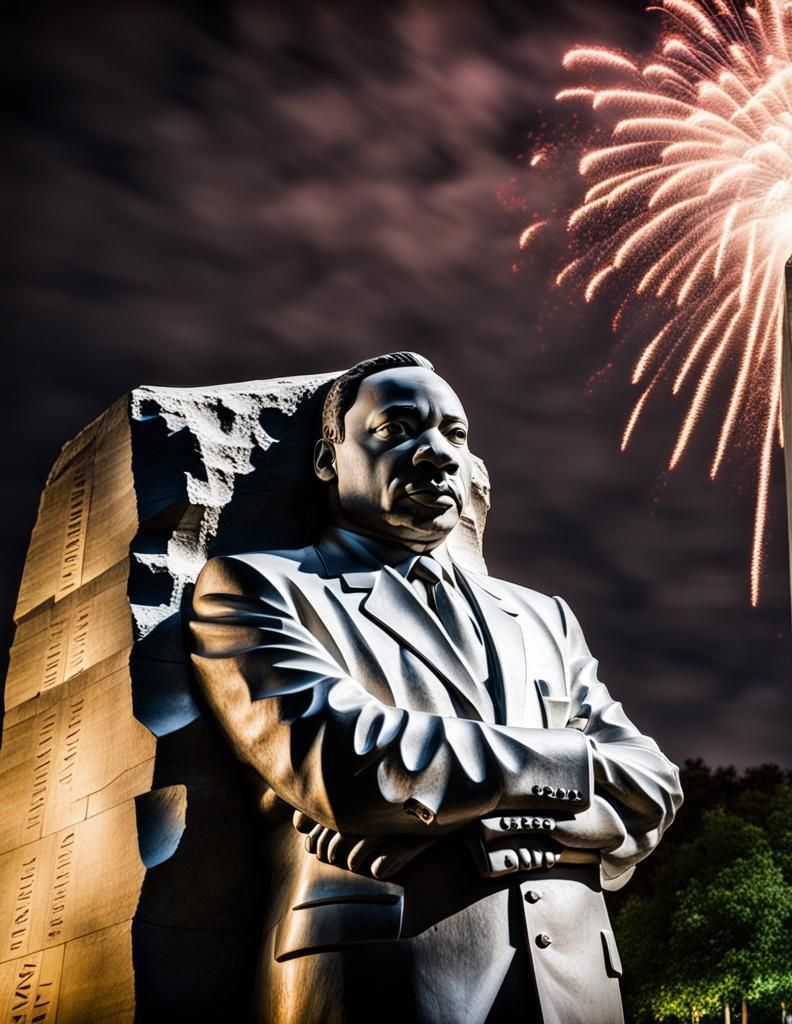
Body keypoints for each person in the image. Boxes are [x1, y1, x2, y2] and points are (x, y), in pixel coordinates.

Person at [189, 351, 682, 1023]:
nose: (438, 455)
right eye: (397, 430)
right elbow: (348, 763)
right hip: (380, 977)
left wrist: (475, 820)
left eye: (455, 434)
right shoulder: (257, 587)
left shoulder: (544, 616)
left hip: (578, 985)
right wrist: (572, 769)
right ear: (329, 459)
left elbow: (653, 786)